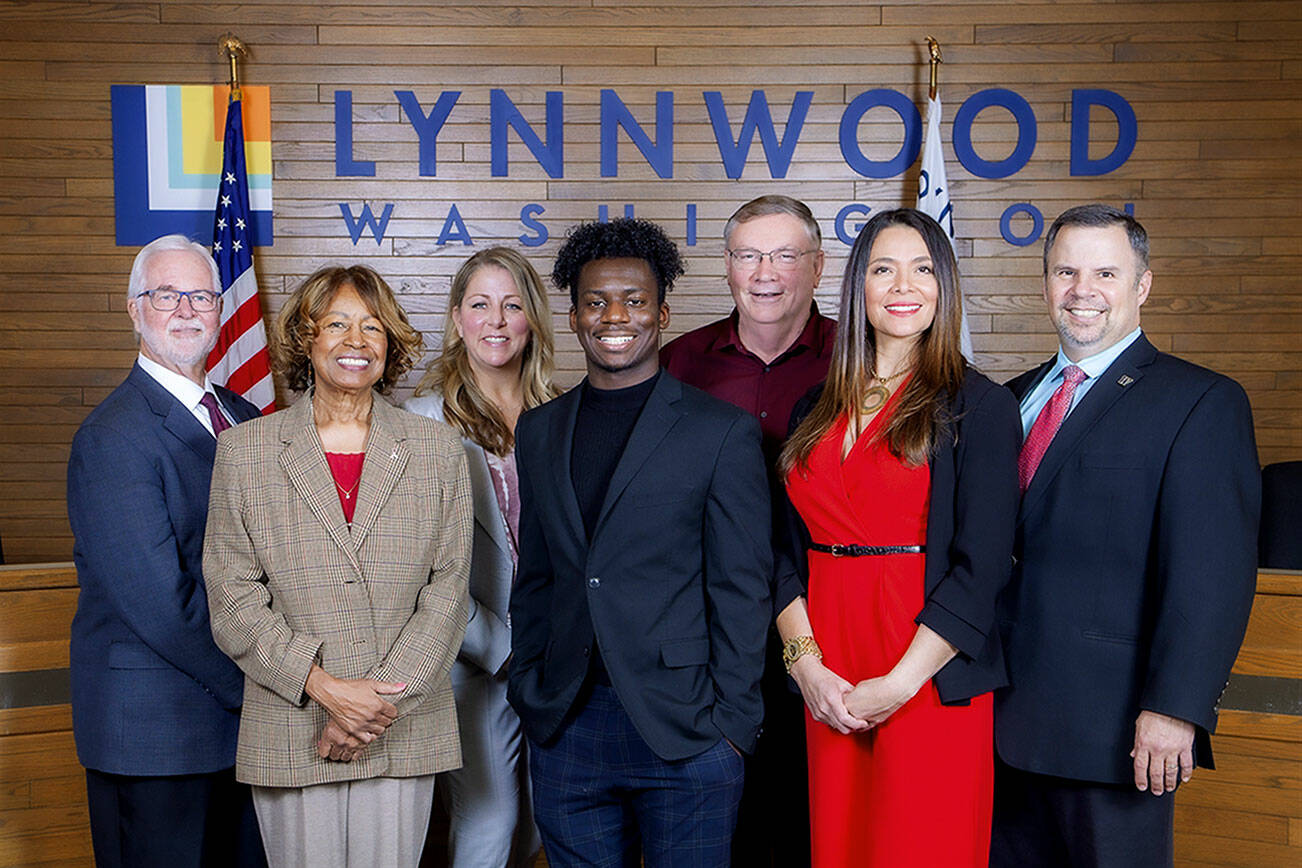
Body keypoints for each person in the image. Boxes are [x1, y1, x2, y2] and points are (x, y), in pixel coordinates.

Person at [991, 204, 1261, 867]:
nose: (1083, 290)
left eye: (1106, 272)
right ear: (1045, 283)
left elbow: (1213, 574)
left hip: (1114, 732)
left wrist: (1176, 708)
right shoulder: (1007, 398)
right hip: (995, 722)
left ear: (1143, 285)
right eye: (1066, 271)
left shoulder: (1200, 402)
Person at [507, 217, 773, 867]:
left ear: (663, 312)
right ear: (573, 318)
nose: (614, 315)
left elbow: (742, 588)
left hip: (687, 729)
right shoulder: (540, 431)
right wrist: (530, 689)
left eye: (634, 299)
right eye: (595, 302)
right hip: (567, 724)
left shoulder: (720, 433)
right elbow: (537, 576)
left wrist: (732, 727)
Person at [774, 209, 1021, 867]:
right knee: (841, 843)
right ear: (858, 287)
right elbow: (778, 548)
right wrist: (804, 665)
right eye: (883, 268)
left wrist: (901, 683)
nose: (902, 285)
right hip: (828, 664)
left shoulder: (981, 406)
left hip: (926, 669)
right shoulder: (813, 406)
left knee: (918, 844)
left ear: (944, 286)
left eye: (921, 268)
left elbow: (983, 566)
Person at [203, 265, 472, 868]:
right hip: (292, 721)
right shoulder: (244, 452)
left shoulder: (437, 450)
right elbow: (232, 596)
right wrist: (326, 692)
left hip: (400, 725)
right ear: (306, 338)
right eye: (337, 325)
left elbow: (449, 592)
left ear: (391, 342)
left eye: (373, 327)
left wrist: (369, 710)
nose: (357, 341)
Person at [66, 234, 266, 868]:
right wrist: (272, 684)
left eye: (201, 295)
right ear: (134, 309)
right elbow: (162, 607)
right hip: (156, 736)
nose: (186, 309)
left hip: (235, 735)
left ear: (219, 310)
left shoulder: (240, 415)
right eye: (165, 294)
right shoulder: (112, 436)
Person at [661, 194, 834, 867]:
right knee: (716, 826)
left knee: (809, 821)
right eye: (747, 255)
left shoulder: (861, 359)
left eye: (785, 255)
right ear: (728, 267)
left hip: (826, 628)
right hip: (706, 633)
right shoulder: (679, 365)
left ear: (817, 267)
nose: (765, 272)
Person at [404, 247, 558, 868]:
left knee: (538, 829)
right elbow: (414, 572)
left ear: (532, 320)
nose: (496, 321)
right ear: (456, 318)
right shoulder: (417, 424)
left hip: (553, 661)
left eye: (513, 305)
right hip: (473, 660)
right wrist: (501, 649)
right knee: (489, 823)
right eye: (480, 305)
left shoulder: (564, 413)